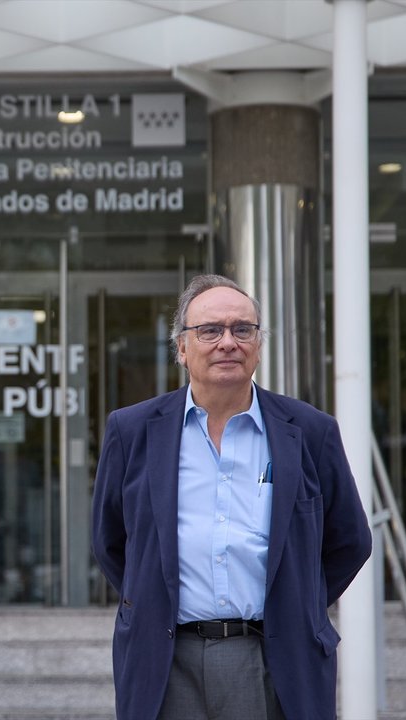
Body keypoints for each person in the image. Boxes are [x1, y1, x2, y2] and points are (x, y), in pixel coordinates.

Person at [91, 274, 372, 720]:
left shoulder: (310, 431)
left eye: (243, 329)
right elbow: (111, 542)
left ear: (258, 344)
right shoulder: (132, 431)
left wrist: (295, 602)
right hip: (165, 658)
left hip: (272, 657)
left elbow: (350, 541)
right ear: (182, 348)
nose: (228, 342)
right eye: (209, 331)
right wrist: (151, 599)